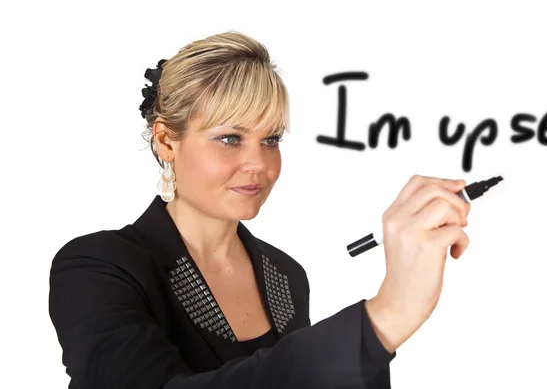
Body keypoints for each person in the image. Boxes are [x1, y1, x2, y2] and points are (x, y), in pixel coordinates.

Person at [48, 31, 471, 389]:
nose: (259, 164)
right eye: (230, 138)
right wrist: (385, 316)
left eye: (271, 140)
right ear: (165, 142)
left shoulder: (285, 275)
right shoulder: (96, 267)